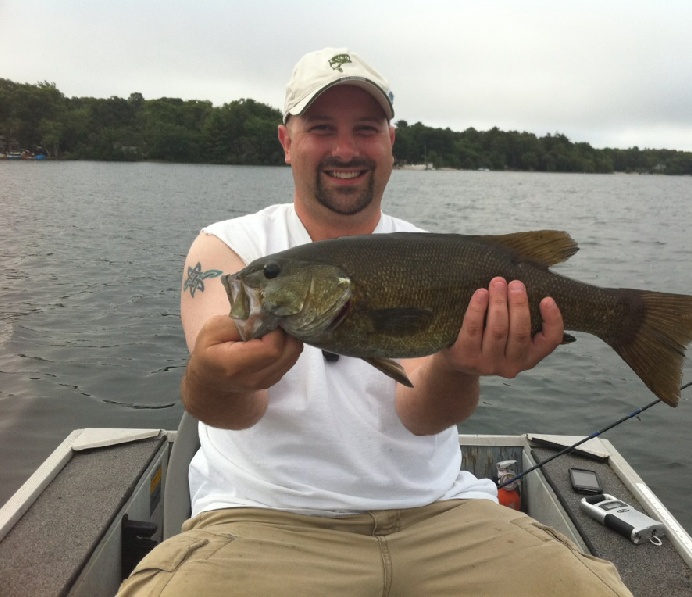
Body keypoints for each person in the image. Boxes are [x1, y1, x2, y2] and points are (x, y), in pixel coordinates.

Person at [119, 48, 631, 596]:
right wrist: (215, 375)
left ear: (390, 142)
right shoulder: (229, 248)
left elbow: (420, 414)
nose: (345, 148)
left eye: (366, 129)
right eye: (321, 128)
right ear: (287, 141)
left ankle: (629, 320)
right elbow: (229, 408)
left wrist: (460, 367)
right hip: (262, 523)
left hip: (440, 513)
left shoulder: (423, 250)